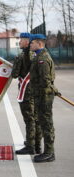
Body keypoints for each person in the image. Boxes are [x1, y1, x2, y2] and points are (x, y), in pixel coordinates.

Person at [12, 33, 42, 155]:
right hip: (36, 91)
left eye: (21, 40)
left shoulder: (21, 56)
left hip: (26, 92)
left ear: (27, 42)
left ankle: (30, 146)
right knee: (36, 118)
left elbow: (14, 74)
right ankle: (37, 145)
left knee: (29, 119)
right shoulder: (37, 54)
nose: (19, 42)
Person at [29, 34, 57, 163]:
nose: (30, 45)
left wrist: (50, 90)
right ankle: (47, 151)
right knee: (43, 122)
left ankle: (49, 153)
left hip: (44, 95)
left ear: (39, 44)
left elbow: (45, 80)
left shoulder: (43, 59)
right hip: (40, 95)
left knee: (46, 123)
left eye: (32, 43)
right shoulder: (38, 57)